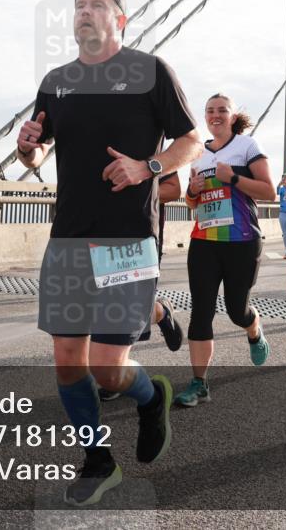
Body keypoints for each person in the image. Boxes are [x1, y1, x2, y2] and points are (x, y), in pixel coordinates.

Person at [16, 0, 201, 506]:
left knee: (107, 367)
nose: (85, 13)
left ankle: (150, 395)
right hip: (69, 237)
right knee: (68, 360)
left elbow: (189, 140)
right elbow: (38, 153)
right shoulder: (57, 81)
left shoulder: (150, 71)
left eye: (98, 6)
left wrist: (148, 167)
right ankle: (98, 461)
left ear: (120, 20)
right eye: (79, 7)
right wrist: (28, 149)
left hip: (127, 238)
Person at [175, 94, 274, 407]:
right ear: (205, 118)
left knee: (236, 311)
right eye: (210, 111)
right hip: (204, 240)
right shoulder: (197, 153)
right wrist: (192, 191)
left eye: (222, 110)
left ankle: (254, 327)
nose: (215, 115)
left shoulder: (247, 146)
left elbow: (269, 191)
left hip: (242, 242)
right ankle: (199, 383)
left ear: (232, 117)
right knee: (201, 311)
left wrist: (232, 177)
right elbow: (191, 202)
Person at [99, 171, 184, 403]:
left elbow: (174, 189)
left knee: (127, 309)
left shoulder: (148, 142)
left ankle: (116, 370)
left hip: (139, 234)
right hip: (95, 232)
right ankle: (159, 311)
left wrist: (132, 188)